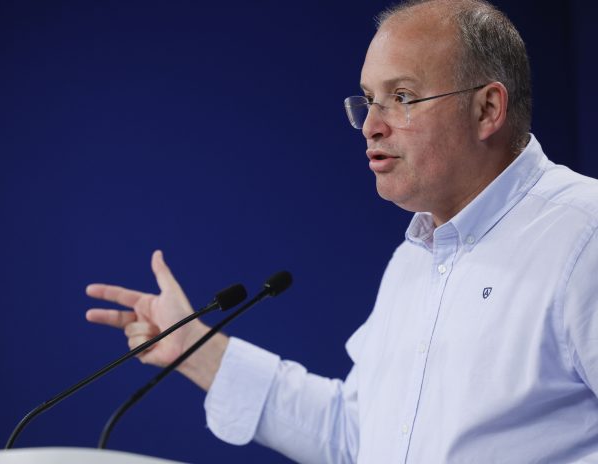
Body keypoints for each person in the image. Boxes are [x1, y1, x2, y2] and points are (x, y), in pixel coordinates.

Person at [85, 0, 598, 462]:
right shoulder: (416, 258)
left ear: (487, 109)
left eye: (402, 96)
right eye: (369, 99)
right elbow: (356, 435)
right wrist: (196, 347)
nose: (371, 125)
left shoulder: (583, 235)